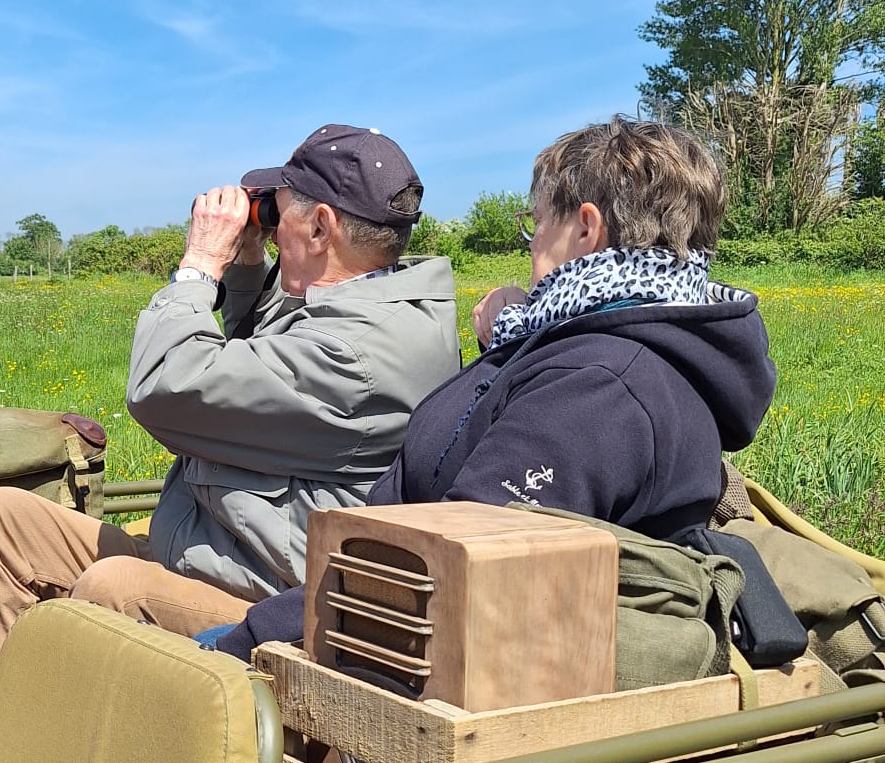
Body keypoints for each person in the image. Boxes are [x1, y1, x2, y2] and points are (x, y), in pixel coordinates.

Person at [0, 123, 461, 763]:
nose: (268, 226)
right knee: (1, 520)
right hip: (222, 554)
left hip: (276, 604)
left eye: (278, 213)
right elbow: (254, 353)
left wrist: (199, 266)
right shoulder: (355, 300)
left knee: (114, 585)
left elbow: (167, 387)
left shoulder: (362, 351)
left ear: (320, 226)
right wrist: (250, 266)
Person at [208, 116, 777, 661]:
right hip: (369, 611)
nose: (531, 244)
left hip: (389, 650)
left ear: (585, 228)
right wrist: (518, 334)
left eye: (537, 223)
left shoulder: (594, 391)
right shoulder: (613, 344)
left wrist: (245, 640)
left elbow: (442, 570)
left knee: (156, 626)